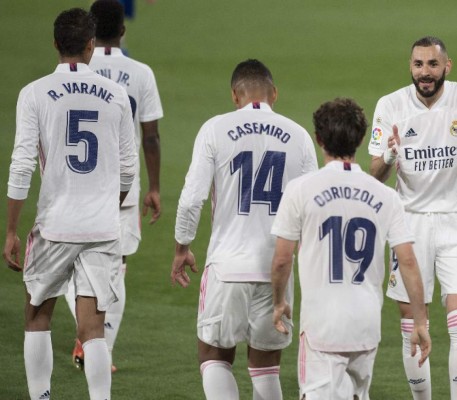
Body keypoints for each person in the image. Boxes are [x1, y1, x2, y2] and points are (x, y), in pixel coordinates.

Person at [3, 7, 137, 400]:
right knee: (93, 328)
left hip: (55, 225)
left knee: (37, 316)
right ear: (92, 45)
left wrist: (11, 229)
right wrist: (109, 205)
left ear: (55, 44)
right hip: (102, 226)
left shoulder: (34, 93)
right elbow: (128, 169)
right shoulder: (115, 95)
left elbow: (22, 164)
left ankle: (42, 396)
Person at [170, 59, 318, 400]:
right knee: (266, 367)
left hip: (227, 266)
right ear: (274, 94)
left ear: (235, 96)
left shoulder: (215, 129)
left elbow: (192, 198)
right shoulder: (298, 136)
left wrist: (182, 247)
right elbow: (311, 208)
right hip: (276, 270)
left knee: (214, 356)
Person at [271, 98, 431, 400]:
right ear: (360, 139)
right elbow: (407, 261)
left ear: (318, 139)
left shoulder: (301, 190)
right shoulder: (385, 196)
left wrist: (278, 302)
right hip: (366, 323)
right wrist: (420, 321)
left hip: (322, 325)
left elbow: (281, 260)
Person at [368, 36, 457, 399]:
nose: (425, 73)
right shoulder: (391, 105)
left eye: (432, 64)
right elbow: (374, 172)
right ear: (410, 67)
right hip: (409, 224)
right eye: (418, 65)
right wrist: (391, 158)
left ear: (447, 66)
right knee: (413, 321)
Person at [66, 0, 163, 373]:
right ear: (123, 30)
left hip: (75, 185)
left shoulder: (71, 71)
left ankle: (87, 337)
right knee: (115, 267)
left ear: (89, 32)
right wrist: (154, 187)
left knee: (69, 262)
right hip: (122, 186)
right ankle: (97, 343)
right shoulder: (140, 73)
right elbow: (150, 138)